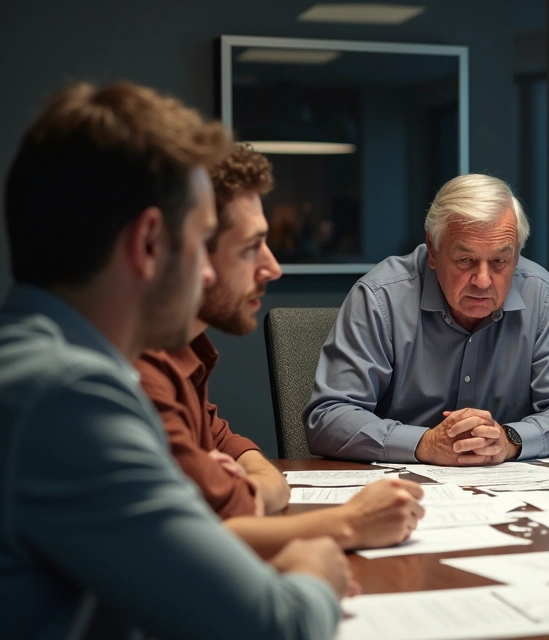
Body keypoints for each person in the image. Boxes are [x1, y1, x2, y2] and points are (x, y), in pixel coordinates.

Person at [0, 82, 346, 639]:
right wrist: (315, 573)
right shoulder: (67, 396)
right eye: (200, 240)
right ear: (150, 244)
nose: (207, 274)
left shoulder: (38, 364)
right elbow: (273, 627)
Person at [137, 144, 425, 558]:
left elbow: (233, 450)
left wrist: (248, 483)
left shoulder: (182, 354)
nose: (273, 268)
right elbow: (199, 535)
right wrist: (346, 524)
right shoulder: (133, 374)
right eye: (251, 246)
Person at [305, 173, 549, 464]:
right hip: (400, 492)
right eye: (465, 260)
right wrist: (424, 444)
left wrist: (510, 440)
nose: (483, 281)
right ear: (433, 251)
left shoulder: (542, 293)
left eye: (500, 260)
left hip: (506, 491)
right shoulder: (380, 296)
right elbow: (328, 417)